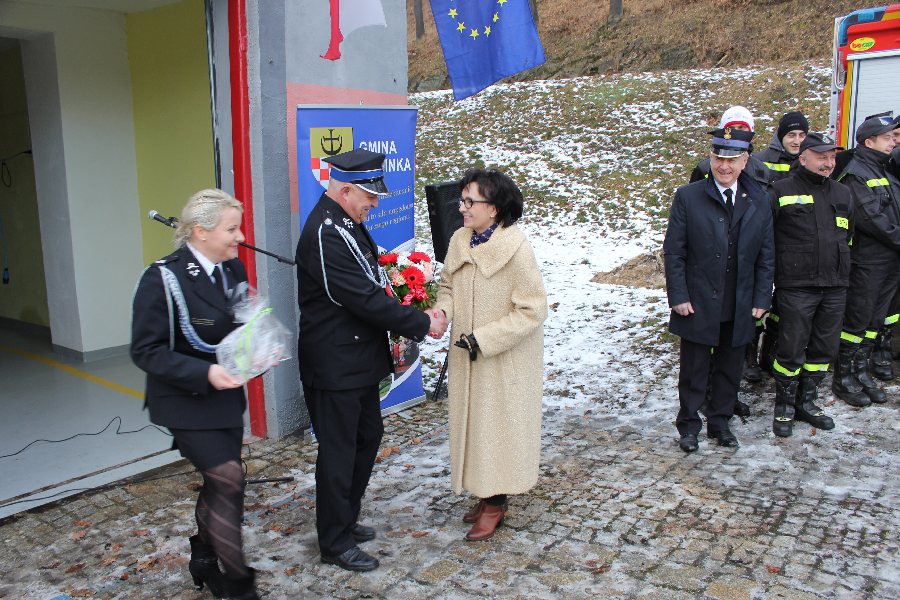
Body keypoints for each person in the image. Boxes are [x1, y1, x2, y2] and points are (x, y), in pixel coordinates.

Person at [295, 148, 446, 571]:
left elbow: (372, 279)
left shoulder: (346, 222)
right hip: (335, 364)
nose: (375, 204)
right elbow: (361, 298)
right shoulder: (326, 232)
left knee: (367, 438)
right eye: (370, 196)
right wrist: (422, 322)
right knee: (339, 452)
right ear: (345, 191)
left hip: (357, 359)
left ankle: (345, 517)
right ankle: (334, 540)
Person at [131, 189, 260, 600]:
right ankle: (238, 585)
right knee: (229, 477)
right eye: (232, 229)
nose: (240, 237)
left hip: (225, 398)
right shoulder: (161, 277)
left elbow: (242, 324)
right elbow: (145, 351)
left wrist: (260, 345)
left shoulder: (232, 268)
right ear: (201, 231)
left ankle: (204, 556)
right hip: (184, 400)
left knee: (223, 483)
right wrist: (206, 372)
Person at [432, 168, 547, 542]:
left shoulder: (516, 249)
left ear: (494, 208)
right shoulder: (459, 239)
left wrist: (484, 339)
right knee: (475, 427)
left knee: (496, 429)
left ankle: (495, 503)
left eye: (470, 201)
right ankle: (485, 494)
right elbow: (448, 286)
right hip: (467, 356)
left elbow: (533, 310)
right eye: (462, 200)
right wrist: (442, 312)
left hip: (502, 359)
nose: (462, 208)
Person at [665, 127, 774, 452]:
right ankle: (689, 426)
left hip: (739, 300)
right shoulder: (689, 196)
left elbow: (766, 254)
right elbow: (675, 251)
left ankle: (720, 423)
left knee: (730, 366)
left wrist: (761, 297)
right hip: (698, 299)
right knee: (694, 369)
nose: (724, 166)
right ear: (710, 159)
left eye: (731, 160)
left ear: (745, 161)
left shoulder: (759, 199)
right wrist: (679, 296)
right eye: (717, 158)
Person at [767, 133, 852, 437]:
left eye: (832, 157)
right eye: (821, 157)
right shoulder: (780, 190)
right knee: (791, 349)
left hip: (835, 285)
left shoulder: (843, 193)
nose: (828, 163)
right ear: (803, 159)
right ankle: (784, 406)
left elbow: (848, 235)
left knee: (823, 349)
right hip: (797, 285)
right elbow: (767, 238)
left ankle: (807, 402)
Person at [689, 106, 770, 391]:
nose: (737, 134)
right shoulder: (704, 169)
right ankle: (706, 393)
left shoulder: (762, 170)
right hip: (709, 272)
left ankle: (728, 394)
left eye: (743, 130)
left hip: (742, 272)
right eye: (733, 128)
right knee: (703, 347)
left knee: (735, 346)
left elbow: (764, 230)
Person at [832, 115, 900, 407]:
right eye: (887, 138)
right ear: (869, 142)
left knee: (874, 319)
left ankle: (860, 370)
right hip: (868, 261)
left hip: (890, 259)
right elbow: (872, 219)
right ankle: (843, 376)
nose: (893, 142)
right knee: (857, 319)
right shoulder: (857, 173)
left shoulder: (883, 168)